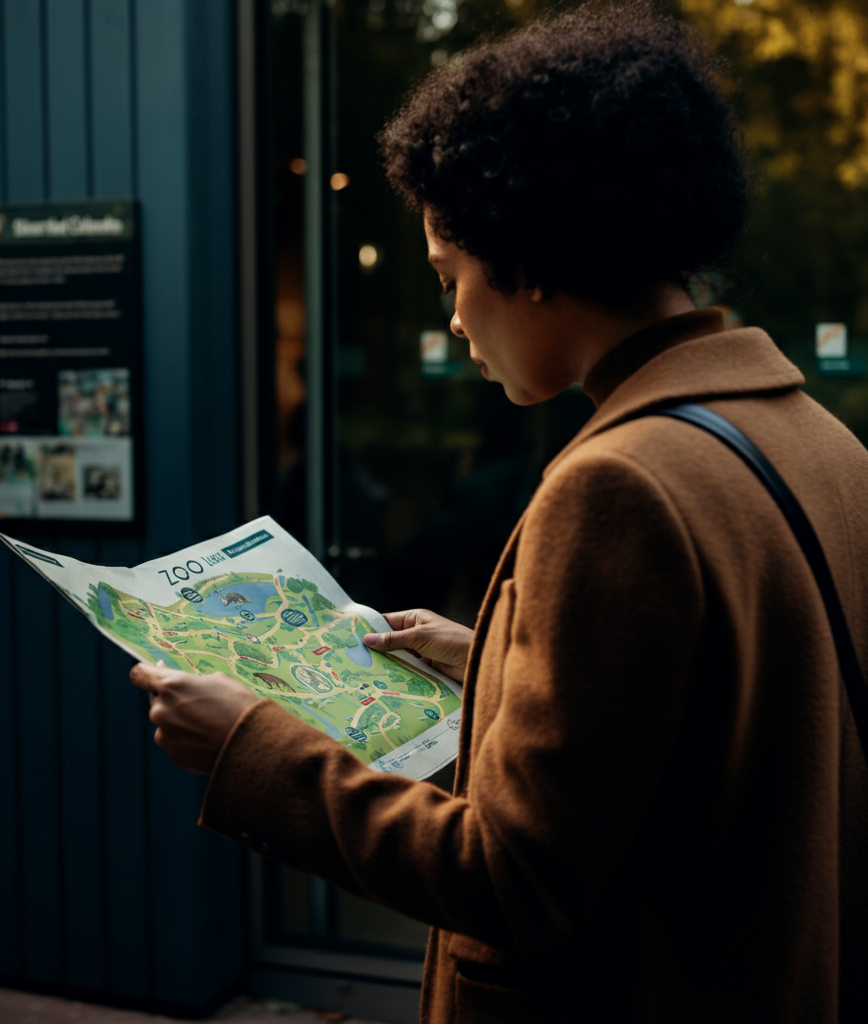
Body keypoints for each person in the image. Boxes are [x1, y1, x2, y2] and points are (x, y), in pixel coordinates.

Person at [131, 3, 868, 1020]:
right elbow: (712, 726)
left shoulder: (620, 485)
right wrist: (492, 660)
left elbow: (516, 877)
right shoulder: (821, 442)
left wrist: (253, 749)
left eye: (451, 275)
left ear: (528, 258)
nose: (452, 317)